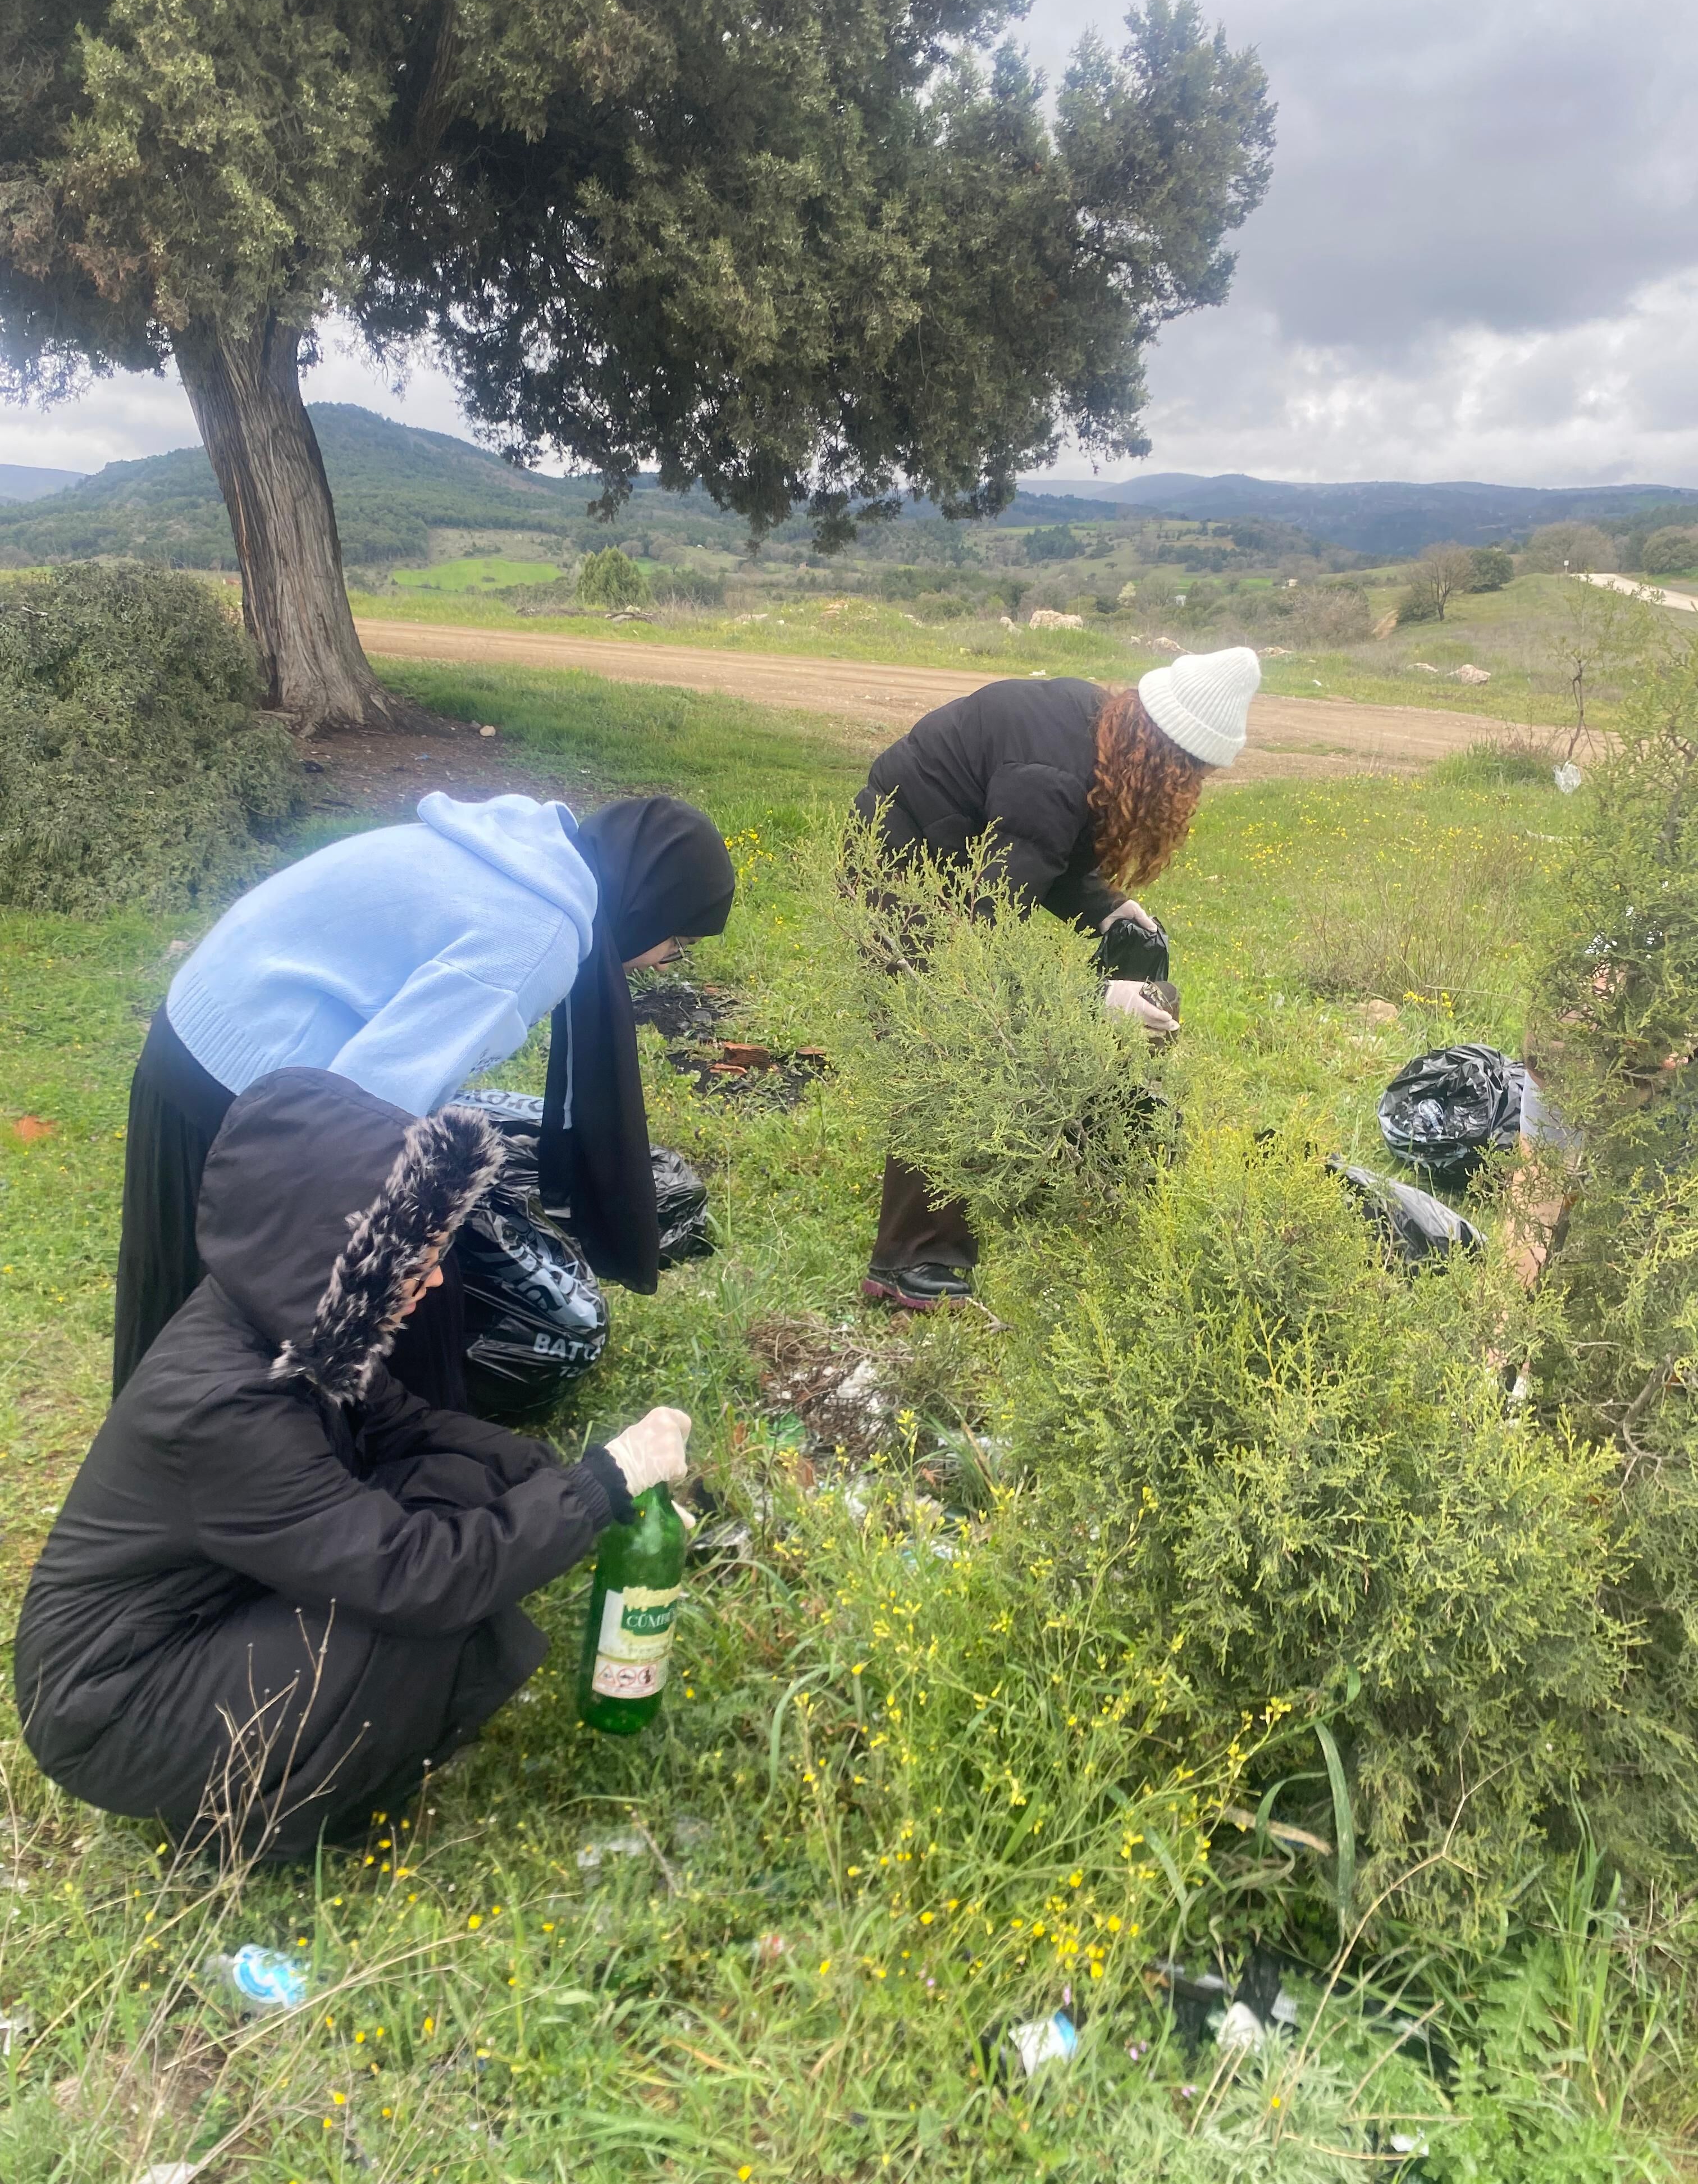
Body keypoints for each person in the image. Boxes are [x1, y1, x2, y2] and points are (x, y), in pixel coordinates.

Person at [16, 1068, 693, 1862]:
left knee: (457, 1485)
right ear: (340, 1254)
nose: (435, 1277)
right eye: (420, 1258)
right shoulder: (223, 1412)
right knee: (402, 1623)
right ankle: (265, 1826)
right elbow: (413, 1578)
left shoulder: (282, 1318)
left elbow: (411, 1430)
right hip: (115, 1704)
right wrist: (597, 1491)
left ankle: (321, 1749)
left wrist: (573, 1477)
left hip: (211, 1607)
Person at [113, 791, 736, 1400]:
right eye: (675, 944)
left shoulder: (525, 853)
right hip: (238, 1081)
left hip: (204, 1028)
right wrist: (397, 1266)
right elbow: (367, 1114)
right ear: (649, 907)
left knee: (202, 1312)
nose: (662, 964)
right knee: (271, 1321)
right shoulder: (536, 935)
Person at [853, 648, 1261, 1308]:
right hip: (900, 861)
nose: (1188, 791)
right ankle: (909, 1264)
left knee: (1130, 948)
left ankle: (1103, 1154)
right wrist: (1096, 999)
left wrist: (1107, 909)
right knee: (950, 1037)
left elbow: (1045, 849)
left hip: (961, 855)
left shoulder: (1099, 731)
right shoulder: (1052, 771)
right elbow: (979, 959)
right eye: (1189, 775)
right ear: (1160, 753)